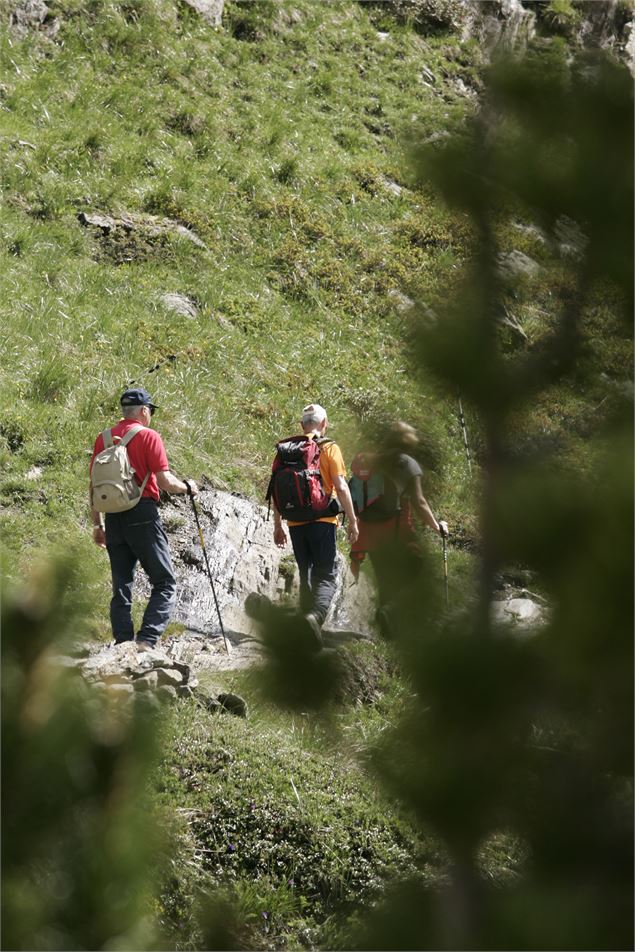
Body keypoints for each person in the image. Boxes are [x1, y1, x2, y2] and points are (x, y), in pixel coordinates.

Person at [90, 388, 198, 650]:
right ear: (144, 411)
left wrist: (97, 524)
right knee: (164, 582)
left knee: (121, 585)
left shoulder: (103, 439)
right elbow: (165, 482)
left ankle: (123, 642)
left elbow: (94, 485)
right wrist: (189, 486)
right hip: (142, 513)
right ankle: (146, 641)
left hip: (113, 516)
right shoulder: (149, 436)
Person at [348, 421, 448, 632]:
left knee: (385, 579)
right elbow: (419, 502)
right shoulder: (406, 464)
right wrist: (436, 526)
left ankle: (387, 630)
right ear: (409, 443)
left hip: (368, 529)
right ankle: (391, 612)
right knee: (418, 570)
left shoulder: (370, 460)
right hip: (395, 531)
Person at [271, 404, 359, 643]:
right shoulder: (329, 447)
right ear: (324, 423)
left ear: (302, 426)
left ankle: (306, 629)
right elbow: (341, 487)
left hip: (295, 523)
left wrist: (278, 525)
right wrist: (352, 521)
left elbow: (274, 491)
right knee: (326, 576)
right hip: (323, 521)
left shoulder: (285, 451)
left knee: (306, 573)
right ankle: (315, 617)